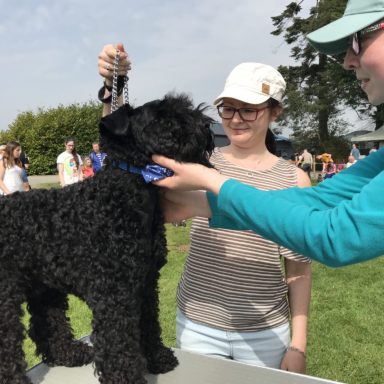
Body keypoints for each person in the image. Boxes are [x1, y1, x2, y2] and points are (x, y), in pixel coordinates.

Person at [98, 48, 312, 372]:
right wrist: (112, 88)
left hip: (265, 332)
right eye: (227, 108)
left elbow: (297, 273)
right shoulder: (197, 163)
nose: (236, 119)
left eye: (249, 110)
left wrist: (298, 345)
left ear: (275, 111)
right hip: (199, 324)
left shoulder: (295, 180)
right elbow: (121, 153)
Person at [150, 0, 384, 269]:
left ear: (275, 112)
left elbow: (338, 236)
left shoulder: (289, 174)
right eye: (228, 108)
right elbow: (319, 200)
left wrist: (210, 180)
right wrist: (198, 202)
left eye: (357, 40)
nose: (347, 61)